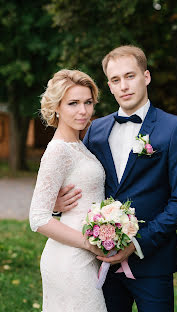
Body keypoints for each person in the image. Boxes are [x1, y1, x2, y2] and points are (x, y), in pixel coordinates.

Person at [54, 46, 177, 312]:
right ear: (109, 85)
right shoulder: (95, 129)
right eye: (116, 80)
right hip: (100, 261)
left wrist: (136, 242)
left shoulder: (173, 129)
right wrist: (57, 204)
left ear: (146, 77)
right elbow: (78, 180)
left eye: (130, 76)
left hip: (152, 260)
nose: (124, 86)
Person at [29, 69, 108, 312]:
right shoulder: (58, 150)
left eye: (88, 102)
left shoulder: (78, 145)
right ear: (57, 107)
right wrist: (90, 244)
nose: (83, 111)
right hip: (70, 259)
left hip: (84, 256)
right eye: (73, 103)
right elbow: (38, 218)